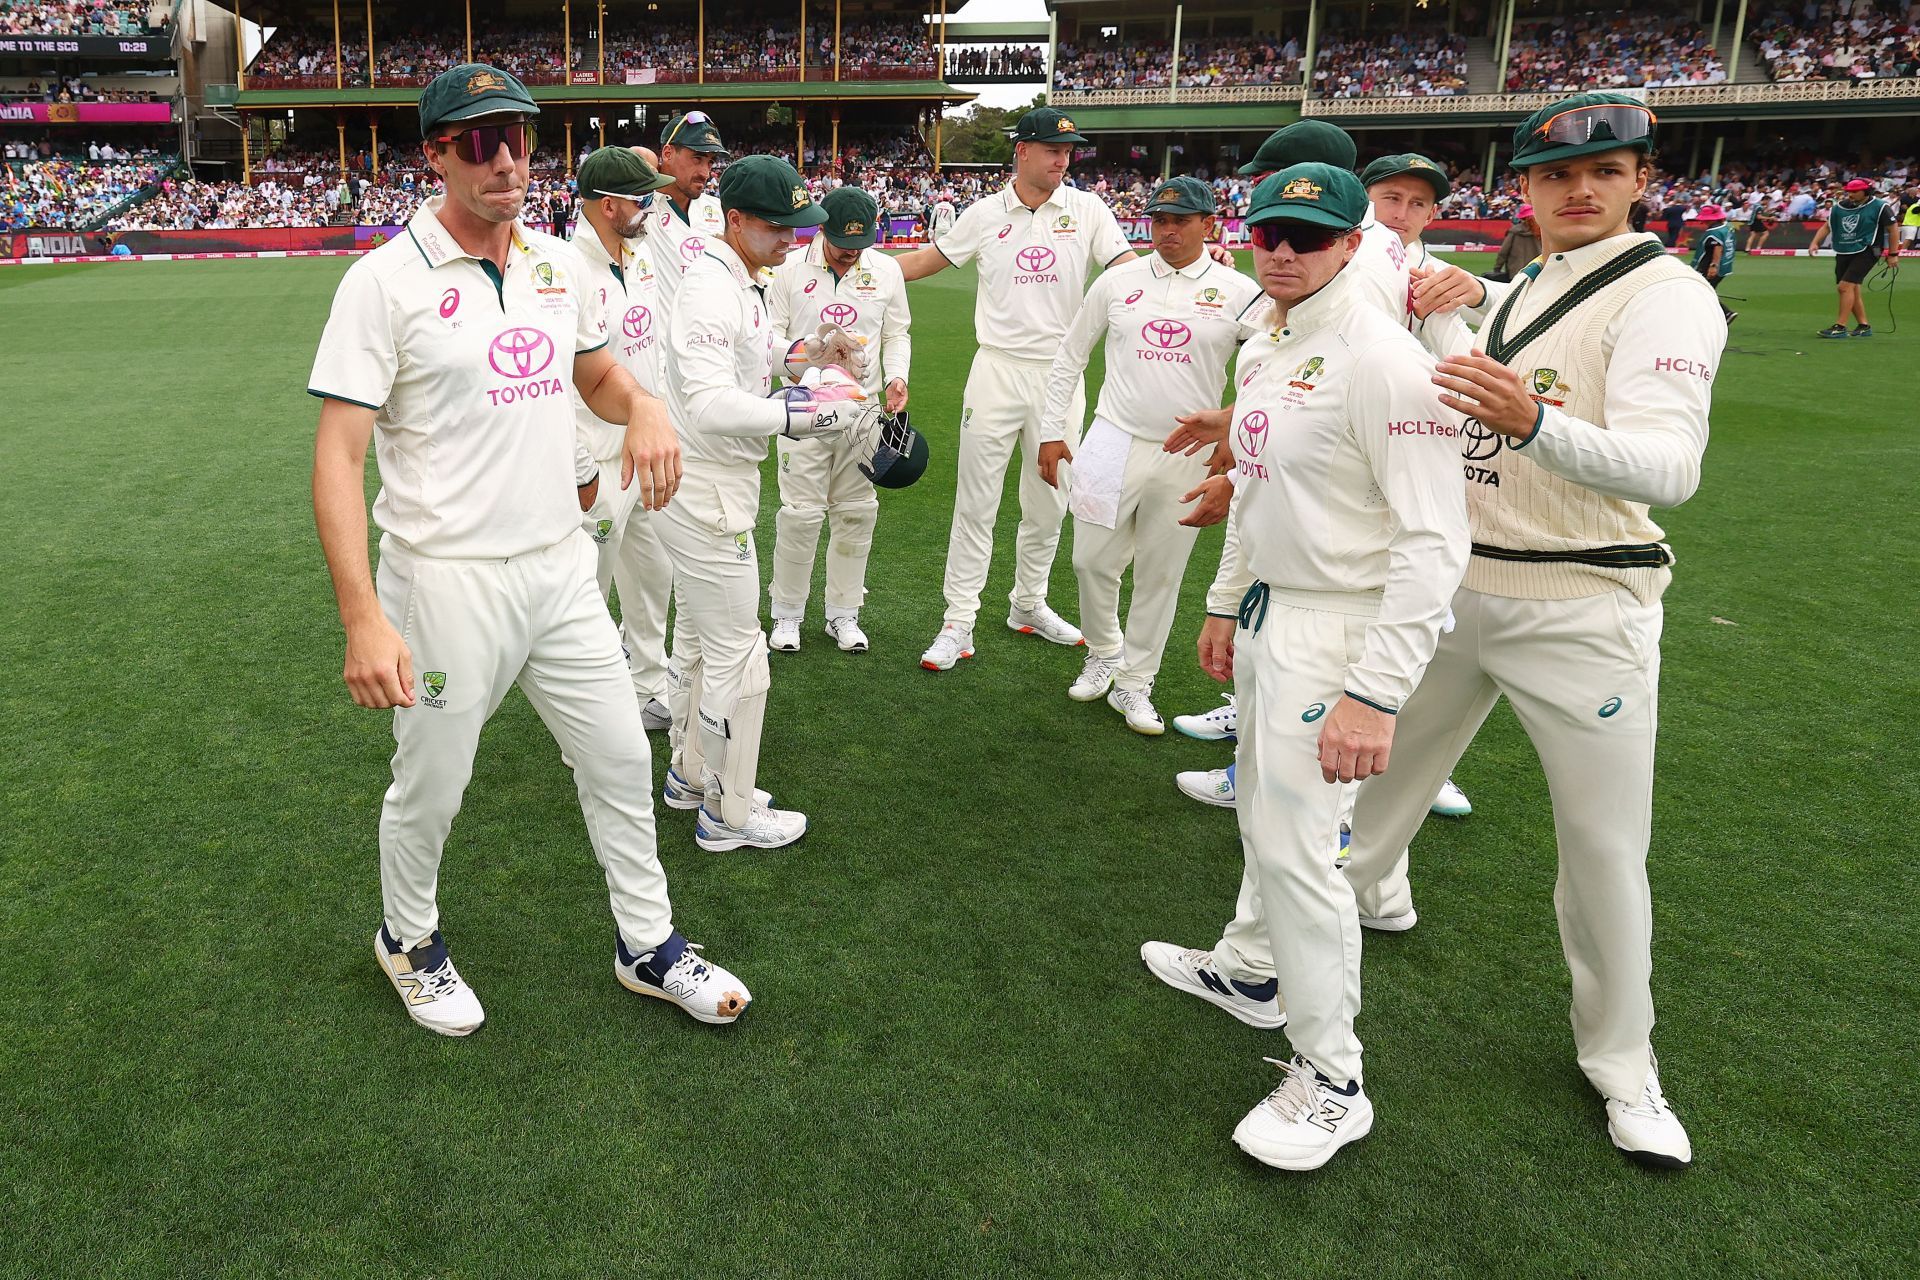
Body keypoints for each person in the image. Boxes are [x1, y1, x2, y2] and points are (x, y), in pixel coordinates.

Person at [308, 64, 750, 1036]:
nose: (506, 157)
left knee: (620, 756)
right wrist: (362, 615)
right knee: (433, 779)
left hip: (558, 566)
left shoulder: (555, 264)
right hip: (444, 584)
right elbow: (338, 455)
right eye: (478, 139)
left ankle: (649, 942)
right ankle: (407, 938)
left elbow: (596, 373)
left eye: (518, 136)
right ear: (434, 153)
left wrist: (645, 406)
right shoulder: (384, 282)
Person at [1343, 91, 1725, 1169]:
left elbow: (1671, 468)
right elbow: (1536, 307)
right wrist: (1485, 289)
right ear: (1526, 189)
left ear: (1642, 179)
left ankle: (1623, 1059)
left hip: (1584, 603)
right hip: (1461, 587)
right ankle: (1345, 918)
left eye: (1605, 170)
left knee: (1603, 852)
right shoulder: (1535, 281)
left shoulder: (1670, 294)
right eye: (1557, 175)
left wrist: (1538, 423)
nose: (1580, 188)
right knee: (1373, 788)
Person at [1142, 162, 1471, 1172]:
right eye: (1270, 232)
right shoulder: (1273, 341)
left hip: (1340, 628)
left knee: (1302, 854)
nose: (1282, 251)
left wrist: (1375, 692)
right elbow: (1256, 483)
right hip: (1277, 610)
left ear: (1350, 243)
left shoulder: (1381, 359)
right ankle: (1248, 970)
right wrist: (1225, 599)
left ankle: (1333, 1076)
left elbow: (1433, 540)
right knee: (1266, 825)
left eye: (1308, 236)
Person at [658, 153, 875, 851]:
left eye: (797, 226)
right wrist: (805, 416)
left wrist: (809, 352)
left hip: (708, 482)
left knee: (697, 640)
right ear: (737, 220)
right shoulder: (711, 288)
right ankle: (730, 813)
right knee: (739, 654)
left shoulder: (739, 280)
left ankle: (692, 775)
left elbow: (755, 355)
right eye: (778, 227)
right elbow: (713, 403)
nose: (791, 239)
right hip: (707, 486)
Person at [892, 107, 1135, 670]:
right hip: (996, 370)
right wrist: (862, 267)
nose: (1063, 161)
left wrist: (1197, 264)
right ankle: (958, 620)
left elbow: (1126, 268)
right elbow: (930, 259)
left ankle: (1028, 603)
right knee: (976, 501)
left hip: (1060, 374)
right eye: (1052, 150)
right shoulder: (983, 213)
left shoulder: (1087, 208)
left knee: (1049, 502)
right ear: (1022, 151)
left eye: (1069, 152)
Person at [1034, 175, 1259, 735]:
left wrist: (1233, 433)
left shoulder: (1238, 291)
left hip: (1189, 449)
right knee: (1091, 561)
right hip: (1113, 437)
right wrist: (1050, 431)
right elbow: (1069, 357)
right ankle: (1104, 652)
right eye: (1159, 220)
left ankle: (1136, 682)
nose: (1167, 231)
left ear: (1211, 225)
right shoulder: (1118, 281)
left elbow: (1268, 369)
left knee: (1161, 572)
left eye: (1181, 221)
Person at [764, 185, 912, 655]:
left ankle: (843, 615)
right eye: (842, 245)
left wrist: (898, 377)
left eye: (859, 245)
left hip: (861, 412)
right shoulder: (787, 268)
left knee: (856, 512)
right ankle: (787, 616)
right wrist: (807, 362)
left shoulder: (886, 269)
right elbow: (766, 338)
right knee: (801, 514)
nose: (850, 255)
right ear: (821, 228)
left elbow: (897, 332)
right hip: (803, 407)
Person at [568, 145, 678, 732]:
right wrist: (581, 465)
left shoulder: (639, 256)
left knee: (654, 573)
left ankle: (648, 685)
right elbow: (562, 381)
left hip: (644, 455)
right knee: (591, 593)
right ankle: (588, 716)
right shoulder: (566, 269)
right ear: (608, 205)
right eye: (643, 198)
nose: (653, 206)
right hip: (598, 463)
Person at [649, 110, 730, 312]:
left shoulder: (717, 210)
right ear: (667, 154)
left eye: (710, 162)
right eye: (697, 158)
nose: (705, 173)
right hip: (659, 342)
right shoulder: (641, 208)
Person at [1808, 178, 1896, 338]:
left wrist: (1893, 254)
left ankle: (1840, 327)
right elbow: (1827, 226)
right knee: (1852, 288)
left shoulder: (1880, 206)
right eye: (1849, 191)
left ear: (1866, 192)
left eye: (1855, 191)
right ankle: (1864, 326)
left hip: (1868, 250)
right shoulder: (1840, 207)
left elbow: (1893, 229)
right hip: (1844, 250)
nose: (1851, 194)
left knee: (1844, 287)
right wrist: (1815, 242)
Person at [1689, 202, 1737, 324]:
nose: (1703, 222)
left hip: (1710, 267)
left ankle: (1725, 313)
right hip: (1725, 265)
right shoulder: (1727, 226)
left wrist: (1713, 266)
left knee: (1701, 292)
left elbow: (1717, 247)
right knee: (1705, 291)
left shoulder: (1713, 232)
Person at [1490, 204, 1542, 281]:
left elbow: (1503, 252)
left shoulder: (1514, 231)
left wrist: (1497, 268)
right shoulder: (1541, 231)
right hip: (1536, 271)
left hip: (1516, 272)